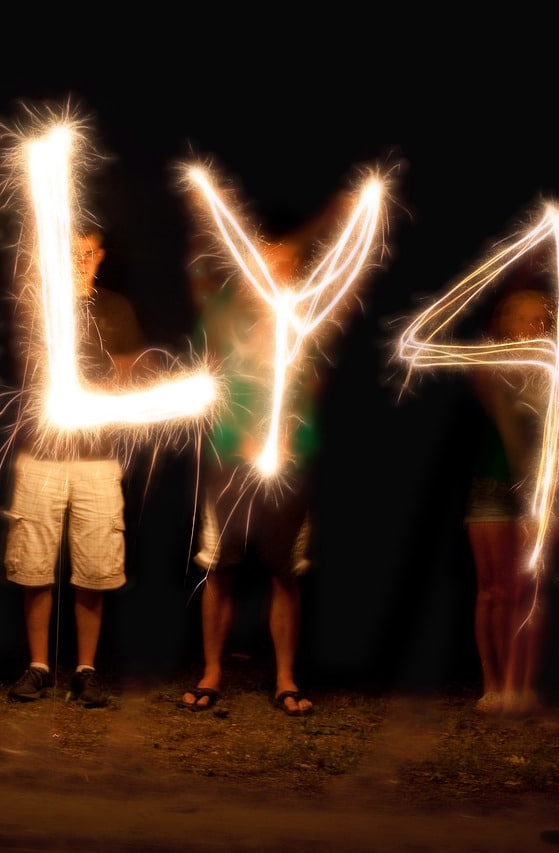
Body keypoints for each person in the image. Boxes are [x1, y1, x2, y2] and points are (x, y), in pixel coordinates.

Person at [182, 229, 323, 717]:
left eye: (284, 266)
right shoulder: (222, 316)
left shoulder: (304, 320)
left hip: (289, 461)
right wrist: (239, 433)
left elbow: (312, 385)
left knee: (285, 570)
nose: (274, 273)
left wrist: (287, 432)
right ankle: (212, 671)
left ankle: (285, 677)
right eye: (265, 264)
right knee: (220, 566)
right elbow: (208, 379)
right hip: (228, 457)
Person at [1, 228, 145, 708]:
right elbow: (26, 369)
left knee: (95, 568)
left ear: (100, 256)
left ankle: (86, 670)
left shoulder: (117, 309)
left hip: (97, 458)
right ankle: (39, 666)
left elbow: (127, 378)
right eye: (69, 253)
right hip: (41, 454)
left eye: (87, 253)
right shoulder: (37, 307)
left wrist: (104, 398)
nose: (79, 261)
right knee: (35, 565)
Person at [463, 280, 559, 716]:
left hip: (538, 494)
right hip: (492, 486)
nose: (534, 326)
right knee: (493, 590)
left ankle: (521, 686)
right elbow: (488, 390)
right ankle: (492, 684)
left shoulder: (555, 375)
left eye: (541, 320)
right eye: (524, 318)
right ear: (505, 324)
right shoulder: (491, 365)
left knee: (527, 592)